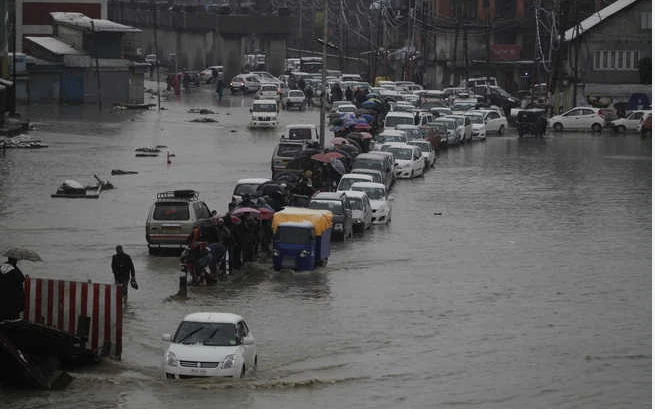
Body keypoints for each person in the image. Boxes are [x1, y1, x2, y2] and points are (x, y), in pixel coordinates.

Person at [0, 257, 26, 321]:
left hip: (2, 293)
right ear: (14, 261)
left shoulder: (1, 267)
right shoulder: (14, 271)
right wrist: (16, 267)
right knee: (12, 313)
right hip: (12, 294)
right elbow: (22, 279)